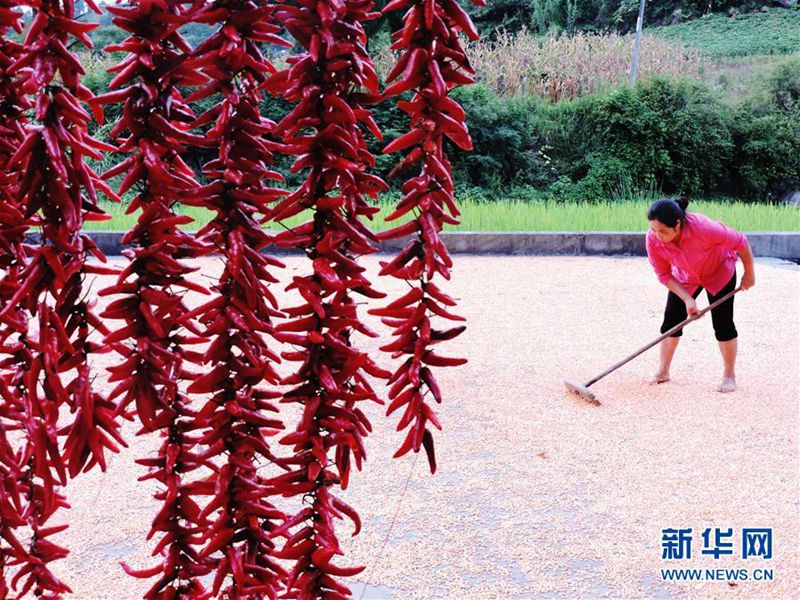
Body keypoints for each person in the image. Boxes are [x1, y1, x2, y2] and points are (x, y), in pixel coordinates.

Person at [645, 196, 755, 393]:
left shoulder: (703, 228)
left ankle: (729, 376)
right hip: (686, 277)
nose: (657, 235)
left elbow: (740, 241)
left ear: (677, 224)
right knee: (671, 322)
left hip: (719, 271)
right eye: (653, 229)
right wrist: (687, 299)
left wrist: (749, 272)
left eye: (662, 231)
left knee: (723, 324)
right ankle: (663, 371)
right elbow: (664, 274)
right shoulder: (653, 239)